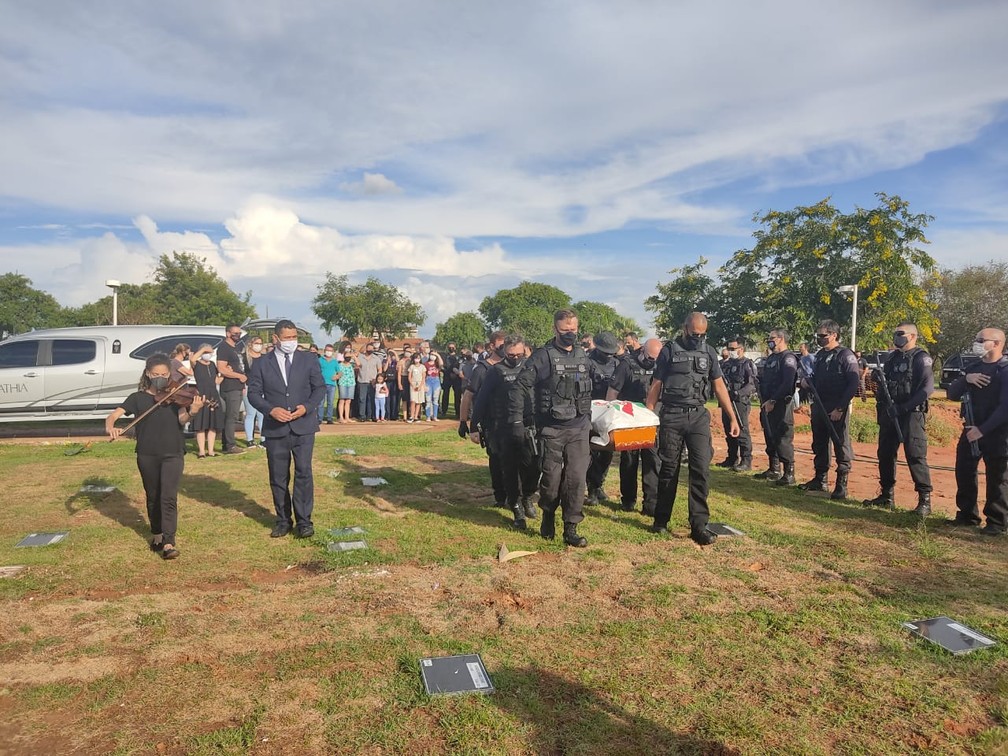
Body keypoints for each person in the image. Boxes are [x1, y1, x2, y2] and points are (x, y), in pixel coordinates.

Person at [646, 312, 739, 546]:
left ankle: (699, 525)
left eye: (702, 334)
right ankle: (661, 520)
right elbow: (656, 385)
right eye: (694, 333)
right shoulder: (669, 350)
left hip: (698, 416)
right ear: (685, 328)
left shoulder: (708, 352)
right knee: (669, 469)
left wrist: (733, 417)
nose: (698, 338)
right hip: (672, 415)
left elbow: (719, 386)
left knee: (700, 470)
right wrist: (648, 416)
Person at [105, 354, 205, 560]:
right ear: (148, 374)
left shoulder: (175, 396)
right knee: (153, 497)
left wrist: (193, 411)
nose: (160, 377)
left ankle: (169, 542)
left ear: (170, 374)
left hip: (173, 452)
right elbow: (113, 416)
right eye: (156, 374)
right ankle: (157, 534)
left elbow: (183, 418)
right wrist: (111, 427)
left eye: (164, 374)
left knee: (168, 496)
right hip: (147, 453)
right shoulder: (137, 398)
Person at [507, 310, 592, 547]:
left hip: (579, 428)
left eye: (573, 330)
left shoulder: (583, 356)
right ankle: (548, 515)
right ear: (555, 329)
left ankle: (571, 528)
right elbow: (519, 387)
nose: (570, 334)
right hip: (552, 429)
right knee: (552, 481)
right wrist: (516, 420)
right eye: (565, 330)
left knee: (576, 479)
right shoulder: (544, 357)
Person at [247, 320, 325, 539]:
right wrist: (270, 410)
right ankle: (283, 520)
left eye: (294, 338)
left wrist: (307, 408)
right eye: (287, 338)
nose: (291, 342)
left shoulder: (308, 359)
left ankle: (304, 521)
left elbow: (319, 388)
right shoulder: (262, 363)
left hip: (304, 426)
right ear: (276, 339)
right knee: (278, 476)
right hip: (276, 429)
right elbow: (253, 393)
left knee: (304, 473)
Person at [861, 325, 934, 515]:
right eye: (895, 333)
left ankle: (924, 501)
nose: (896, 337)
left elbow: (926, 389)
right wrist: (877, 377)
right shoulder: (893, 357)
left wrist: (904, 407)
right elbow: (888, 383)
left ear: (912, 336)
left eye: (900, 334)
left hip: (911, 414)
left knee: (915, 454)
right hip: (889, 412)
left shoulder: (921, 358)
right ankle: (886, 495)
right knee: (885, 453)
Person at [471, 334, 540, 529]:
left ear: (524, 350)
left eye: (519, 354)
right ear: (504, 352)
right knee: (509, 470)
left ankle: (527, 496)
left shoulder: (530, 367)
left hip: (529, 424)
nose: (515, 358)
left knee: (534, 465)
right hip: (504, 426)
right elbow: (482, 399)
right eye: (511, 355)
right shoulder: (496, 371)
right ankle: (516, 506)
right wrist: (473, 426)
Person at [947, 327, 1008, 535]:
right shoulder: (973, 368)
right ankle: (967, 515)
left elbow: (1005, 408)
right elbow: (952, 393)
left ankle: (996, 522)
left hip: (996, 431)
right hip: (971, 428)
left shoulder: (1005, 369)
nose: (977, 343)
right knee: (964, 470)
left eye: (982, 340)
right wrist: (966, 379)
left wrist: (982, 430)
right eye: (976, 339)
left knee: (997, 477)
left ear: (997, 343)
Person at [798, 320, 860, 500]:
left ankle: (841, 484)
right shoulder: (819, 355)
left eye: (823, 335)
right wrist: (806, 384)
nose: (820, 338)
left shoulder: (845, 355)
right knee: (820, 443)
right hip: (819, 405)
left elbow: (853, 383)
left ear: (834, 335)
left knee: (840, 444)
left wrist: (840, 408)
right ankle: (820, 479)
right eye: (818, 335)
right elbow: (817, 379)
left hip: (836, 406)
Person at [607, 338, 662, 515]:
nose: (652, 361)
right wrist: (612, 417)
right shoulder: (626, 364)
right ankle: (628, 500)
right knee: (629, 461)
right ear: (642, 351)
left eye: (656, 359)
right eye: (650, 357)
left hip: (652, 420)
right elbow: (613, 391)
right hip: (629, 420)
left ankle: (651, 503)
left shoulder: (661, 365)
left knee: (652, 461)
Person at [461, 331, 508, 507]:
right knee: (496, 460)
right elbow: (468, 395)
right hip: (491, 423)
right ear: (492, 346)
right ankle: (500, 497)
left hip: (512, 422)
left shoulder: (514, 366)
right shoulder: (482, 369)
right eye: (501, 345)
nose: (505, 349)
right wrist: (464, 422)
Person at [757, 329, 799, 485]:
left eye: (772, 338)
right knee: (770, 435)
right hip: (767, 402)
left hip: (781, 403)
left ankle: (789, 473)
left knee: (783, 437)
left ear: (781, 339)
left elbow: (787, 383)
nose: (769, 340)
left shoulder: (788, 358)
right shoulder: (771, 358)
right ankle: (774, 469)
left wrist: (773, 400)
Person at [585, 331, 620, 504]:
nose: (608, 356)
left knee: (607, 453)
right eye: (605, 352)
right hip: (590, 413)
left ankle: (599, 485)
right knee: (591, 452)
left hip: (609, 414)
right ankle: (591, 488)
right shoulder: (586, 362)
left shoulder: (617, 363)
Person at [718, 339, 758, 471]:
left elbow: (752, 384)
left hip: (740, 401)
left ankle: (746, 460)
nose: (730, 351)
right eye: (729, 348)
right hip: (727, 401)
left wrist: (739, 393)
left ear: (741, 349)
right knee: (728, 429)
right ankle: (732, 458)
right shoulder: (726, 364)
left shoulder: (747, 364)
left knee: (742, 429)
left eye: (733, 349)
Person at [216, 324, 247, 454]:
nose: (238, 336)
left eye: (239, 333)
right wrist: (239, 376)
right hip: (230, 387)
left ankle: (226, 444)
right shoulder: (224, 347)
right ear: (228, 333)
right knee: (231, 417)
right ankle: (230, 445)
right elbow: (221, 368)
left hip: (238, 386)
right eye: (235, 333)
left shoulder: (236, 348)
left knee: (231, 416)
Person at [189, 344, 224, 457]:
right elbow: (193, 359)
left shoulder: (213, 365)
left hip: (213, 395)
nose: (207, 355)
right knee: (201, 424)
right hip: (201, 395)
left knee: (212, 424)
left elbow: (217, 380)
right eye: (205, 353)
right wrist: (203, 349)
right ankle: (201, 451)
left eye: (209, 352)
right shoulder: (197, 364)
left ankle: (211, 451)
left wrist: (224, 374)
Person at [243, 335, 266, 447]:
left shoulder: (265, 358)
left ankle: (263, 439)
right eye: (256, 343)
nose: (259, 346)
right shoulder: (244, 358)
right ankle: (249, 439)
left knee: (262, 414)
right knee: (250, 414)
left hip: (264, 389)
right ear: (250, 344)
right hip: (249, 387)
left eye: (260, 343)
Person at [356, 342, 384, 422]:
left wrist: (378, 380)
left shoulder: (376, 359)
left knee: (372, 399)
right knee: (362, 399)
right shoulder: (361, 357)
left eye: (371, 349)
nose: (370, 350)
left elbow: (379, 369)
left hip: (373, 382)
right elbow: (357, 365)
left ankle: (372, 415)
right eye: (368, 349)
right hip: (362, 381)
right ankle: (362, 416)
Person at [318, 344, 339, 424]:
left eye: (330, 351)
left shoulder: (335, 361)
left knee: (330, 402)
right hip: (322, 384)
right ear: (324, 351)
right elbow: (316, 370)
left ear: (333, 352)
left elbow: (340, 372)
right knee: (321, 402)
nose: (328, 352)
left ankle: (329, 418)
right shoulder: (320, 360)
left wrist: (337, 376)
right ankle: (320, 418)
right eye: (327, 350)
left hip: (332, 384)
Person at [441, 342, 462, 419]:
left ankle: (458, 412)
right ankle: (444, 411)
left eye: (452, 347)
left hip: (456, 379)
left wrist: (455, 373)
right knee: (445, 395)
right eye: (450, 347)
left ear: (455, 348)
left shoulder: (458, 357)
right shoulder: (445, 357)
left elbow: (460, 366)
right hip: (447, 377)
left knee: (457, 395)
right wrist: (449, 372)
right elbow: (442, 366)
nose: (451, 348)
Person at [337, 346, 357, 423]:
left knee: (348, 401)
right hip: (343, 383)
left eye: (349, 356)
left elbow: (359, 364)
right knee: (342, 400)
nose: (348, 357)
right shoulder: (340, 365)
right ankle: (341, 417)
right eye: (347, 356)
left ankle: (347, 417)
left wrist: (354, 356)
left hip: (351, 384)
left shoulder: (352, 364)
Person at [407, 352, 426, 423]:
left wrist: (421, 386)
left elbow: (423, 377)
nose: (417, 360)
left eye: (418, 358)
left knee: (419, 401)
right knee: (413, 401)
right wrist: (413, 385)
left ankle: (416, 417)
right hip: (413, 384)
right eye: (415, 358)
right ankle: (411, 416)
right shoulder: (412, 367)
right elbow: (409, 377)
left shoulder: (422, 367)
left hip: (420, 385)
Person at [424, 350, 442, 421]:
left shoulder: (437, 364)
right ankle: (428, 416)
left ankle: (435, 416)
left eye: (434, 355)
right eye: (432, 354)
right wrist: (424, 385)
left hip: (436, 381)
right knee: (428, 399)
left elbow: (441, 364)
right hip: (428, 381)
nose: (433, 356)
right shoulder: (426, 364)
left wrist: (437, 355)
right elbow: (424, 375)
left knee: (435, 399)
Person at [384, 349, 400, 421]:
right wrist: (388, 361)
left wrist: (394, 352)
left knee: (394, 399)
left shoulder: (395, 362)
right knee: (387, 399)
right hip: (387, 382)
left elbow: (398, 360)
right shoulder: (384, 361)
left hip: (394, 382)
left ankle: (394, 415)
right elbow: (384, 370)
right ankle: (387, 415)